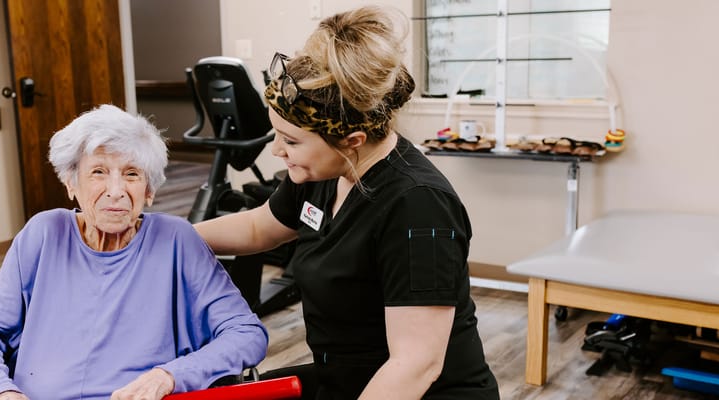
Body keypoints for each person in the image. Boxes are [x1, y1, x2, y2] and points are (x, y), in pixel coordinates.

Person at [195, 5, 499, 400]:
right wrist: (160, 235)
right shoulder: (324, 173)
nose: (277, 152)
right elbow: (259, 227)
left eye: (291, 141)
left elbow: (415, 365)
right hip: (343, 377)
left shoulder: (418, 206)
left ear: (352, 141)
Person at [0, 104, 268, 400]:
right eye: (98, 172)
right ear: (71, 183)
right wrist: (0, 391)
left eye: (131, 174)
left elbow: (246, 333)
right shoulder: (43, 235)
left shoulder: (176, 241)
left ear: (149, 190)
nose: (115, 191)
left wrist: (170, 375)